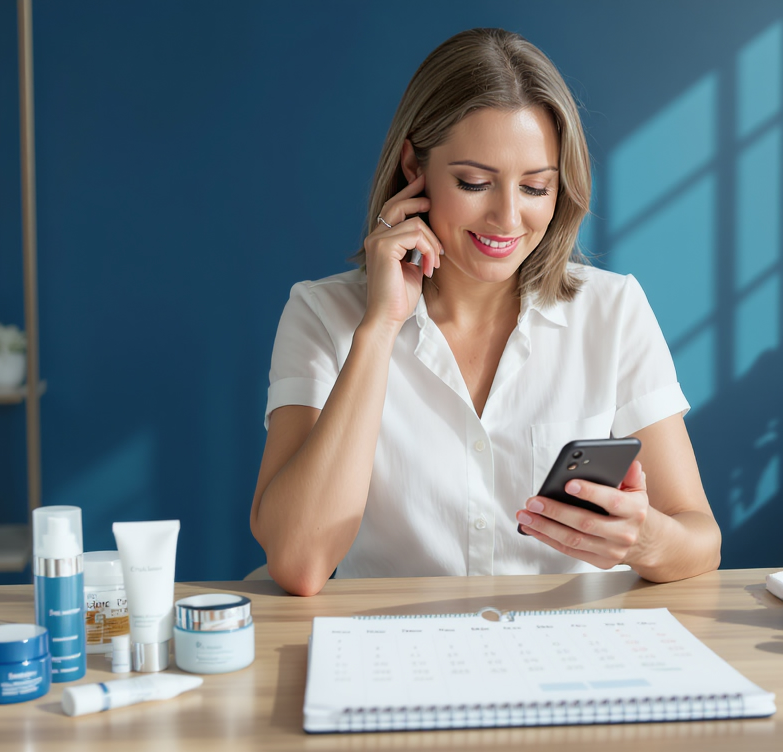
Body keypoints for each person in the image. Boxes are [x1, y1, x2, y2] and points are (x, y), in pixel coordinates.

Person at [251, 28, 720, 597]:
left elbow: (701, 539)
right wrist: (379, 329)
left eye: (535, 187)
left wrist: (643, 539)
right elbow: (299, 562)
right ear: (412, 167)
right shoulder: (321, 314)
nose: (507, 218)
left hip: (572, 655)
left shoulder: (611, 309)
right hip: (397, 658)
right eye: (474, 182)